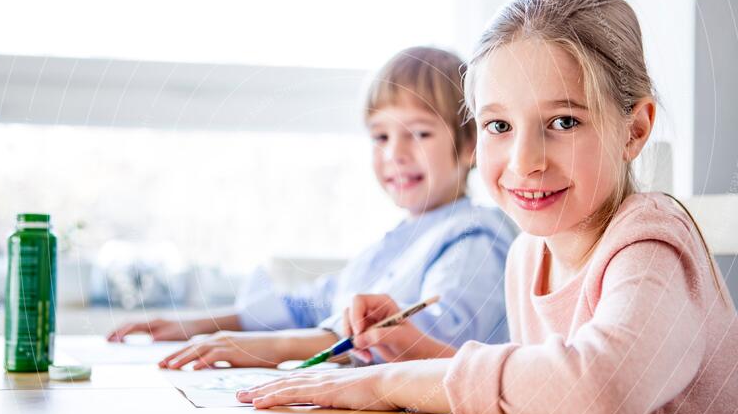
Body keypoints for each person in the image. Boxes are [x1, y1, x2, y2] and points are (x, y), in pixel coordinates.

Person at [237, 0, 738, 414]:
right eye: (499, 126)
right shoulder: (528, 254)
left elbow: (598, 389)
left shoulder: (650, 241)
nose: (524, 162)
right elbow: (539, 392)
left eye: (563, 121)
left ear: (634, 130)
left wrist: (385, 385)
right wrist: (417, 350)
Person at [107, 46, 515, 369]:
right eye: (381, 137)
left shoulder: (476, 237)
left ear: (468, 146)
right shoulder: (396, 243)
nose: (396, 153)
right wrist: (197, 325)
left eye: (420, 133)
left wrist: (271, 346)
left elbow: (425, 340)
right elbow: (312, 304)